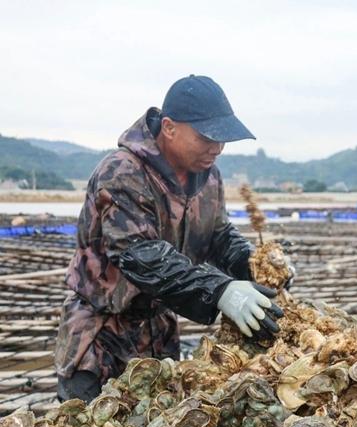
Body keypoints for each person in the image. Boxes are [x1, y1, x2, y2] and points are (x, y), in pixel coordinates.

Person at [54, 75, 284, 402]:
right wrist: (218, 289)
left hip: (159, 339)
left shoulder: (209, 176)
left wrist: (255, 266)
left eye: (223, 139)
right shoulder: (122, 173)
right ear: (169, 127)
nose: (217, 148)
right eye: (207, 137)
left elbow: (218, 235)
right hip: (103, 340)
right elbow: (140, 256)